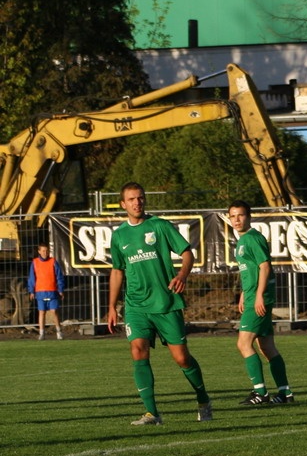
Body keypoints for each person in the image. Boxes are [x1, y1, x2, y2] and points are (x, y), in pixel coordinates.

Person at [106, 182, 213, 426]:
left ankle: (203, 399)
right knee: (138, 350)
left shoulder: (160, 226)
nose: (137, 202)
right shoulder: (119, 235)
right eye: (132, 199)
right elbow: (117, 272)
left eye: (140, 198)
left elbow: (188, 254)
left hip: (166, 303)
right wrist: (112, 306)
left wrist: (182, 275)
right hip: (136, 306)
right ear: (123, 204)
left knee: (182, 358)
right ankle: (152, 413)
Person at [227, 200, 294, 405]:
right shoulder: (242, 240)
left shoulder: (253, 239)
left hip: (258, 299)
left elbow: (265, 267)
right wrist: (243, 293)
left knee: (243, 343)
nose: (237, 219)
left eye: (241, 215)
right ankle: (285, 394)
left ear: (249, 216)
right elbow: (251, 270)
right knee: (266, 347)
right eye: (233, 216)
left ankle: (260, 393)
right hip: (252, 296)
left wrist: (257, 296)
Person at [27, 241, 65, 340]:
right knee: (42, 312)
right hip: (40, 292)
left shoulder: (53, 262)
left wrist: (60, 289)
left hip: (52, 291)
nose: (45, 253)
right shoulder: (35, 262)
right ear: (39, 251)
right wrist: (32, 291)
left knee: (54, 311)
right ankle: (42, 333)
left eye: (47, 251)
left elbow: (59, 276)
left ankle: (59, 332)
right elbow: (32, 278)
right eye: (43, 251)